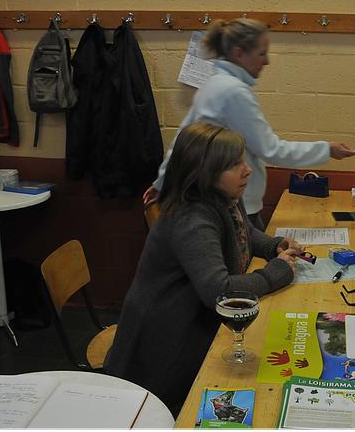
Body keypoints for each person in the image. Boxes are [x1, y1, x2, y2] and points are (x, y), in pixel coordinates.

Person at [105, 122, 300, 416]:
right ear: (205, 171)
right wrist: (277, 272)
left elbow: (244, 233)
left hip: (190, 323)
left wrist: (274, 246)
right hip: (163, 340)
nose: (247, 170)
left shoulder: (219, 198)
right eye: (235, 165)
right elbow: (220, 291)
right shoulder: (191, 217)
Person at [144, 18, 355, 230]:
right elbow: (272, 150)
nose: (267, 62)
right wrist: (326, 149)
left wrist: (161, 183)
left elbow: (181, 139)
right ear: (239, 53)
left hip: (215, 202)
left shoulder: (213, 84)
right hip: (234, 205)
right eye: (262, 54)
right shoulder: (234, 92)